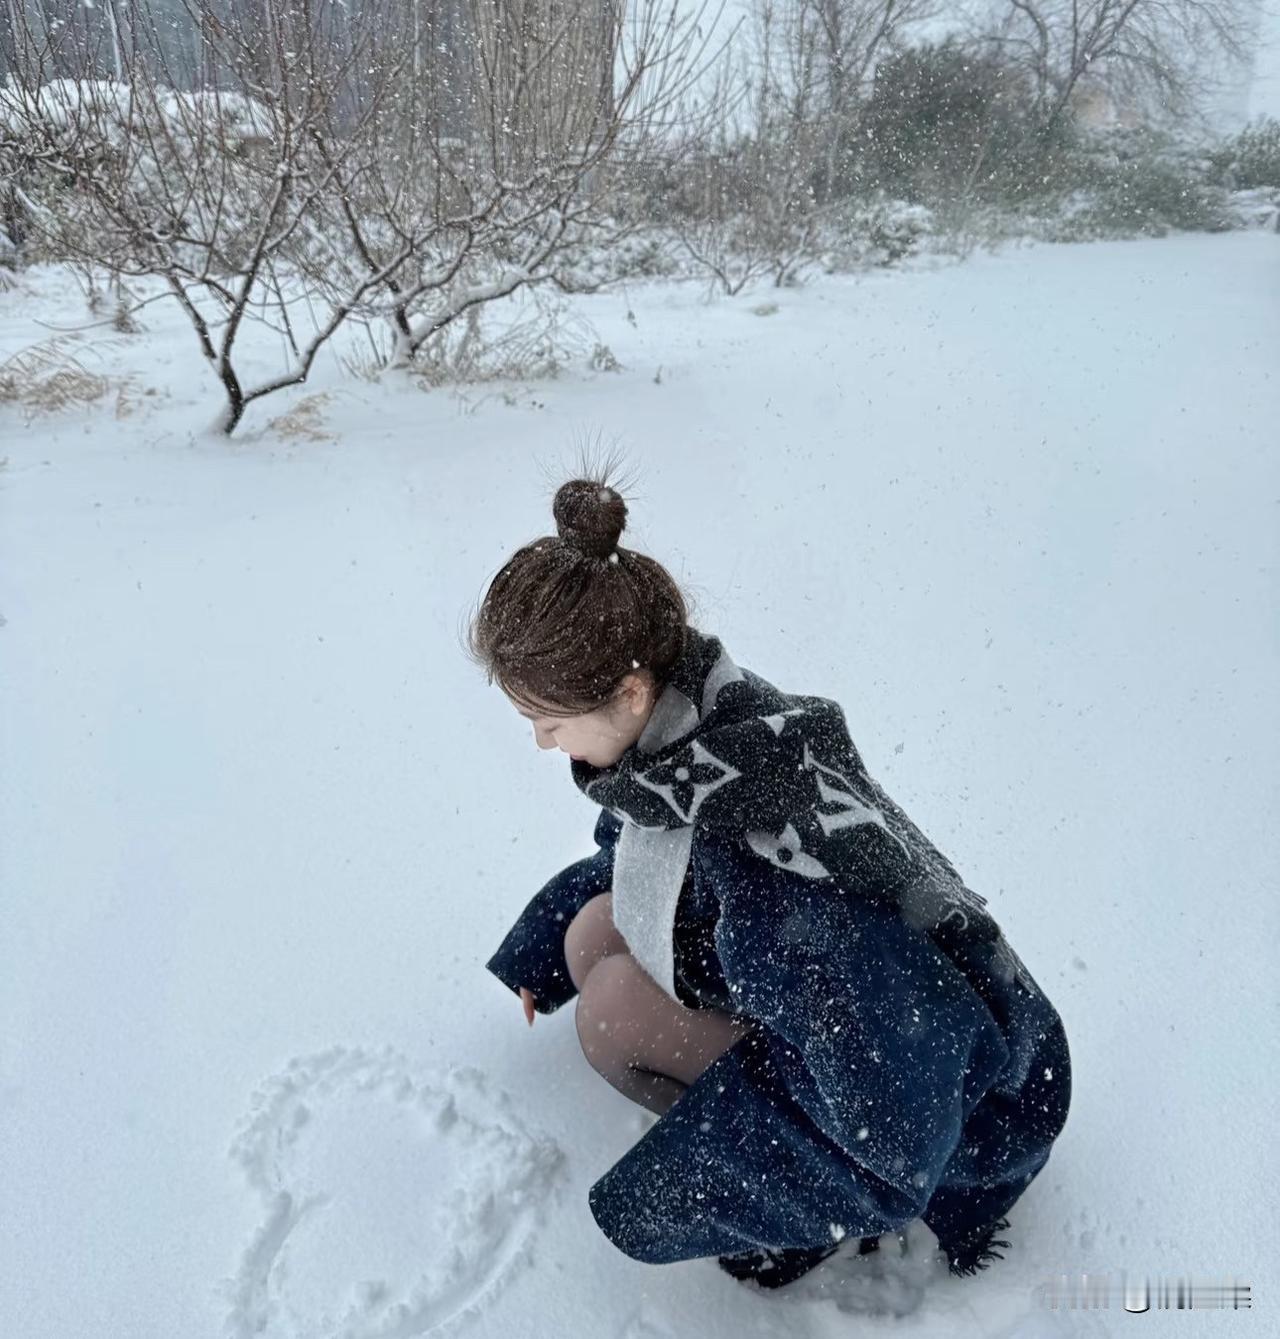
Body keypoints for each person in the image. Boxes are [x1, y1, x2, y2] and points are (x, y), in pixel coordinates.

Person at [469, 472, 1072, 1289]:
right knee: (586, 937)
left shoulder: (770, 869)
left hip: (954, 1107)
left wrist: (687, 1196)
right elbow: (646, 855)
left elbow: (893, 1128)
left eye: (550, 721)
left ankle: (807, 1233)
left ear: (630, 690)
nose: (544, 743)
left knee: (611, 1014)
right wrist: (541, 946)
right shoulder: (696, 730)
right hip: (866, 1010)